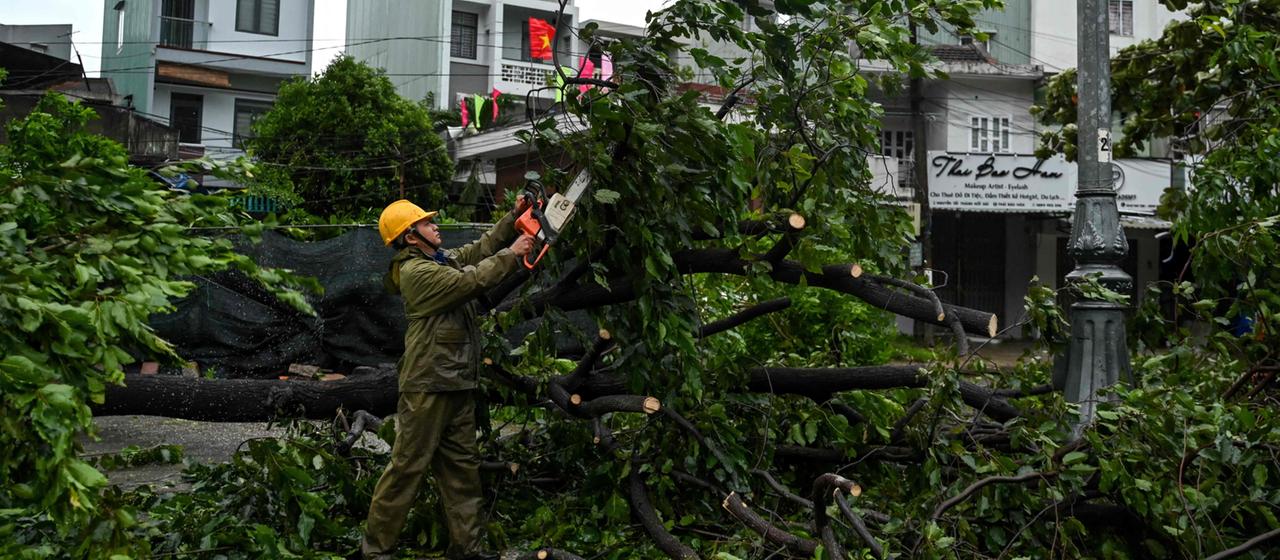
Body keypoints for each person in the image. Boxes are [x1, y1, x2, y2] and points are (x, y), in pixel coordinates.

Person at [363, 198, 535, 560]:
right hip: (427, 384)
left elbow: (480, 248)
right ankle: (375, 550)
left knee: (462, 471)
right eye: (426, 224)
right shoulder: (416, 273)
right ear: (411, 238)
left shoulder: (436, 259)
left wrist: (513, 219)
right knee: (407, 467)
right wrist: (514, 254)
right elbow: (470, 280)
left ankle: (466, 551)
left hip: (456, 380)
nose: (435, 226)